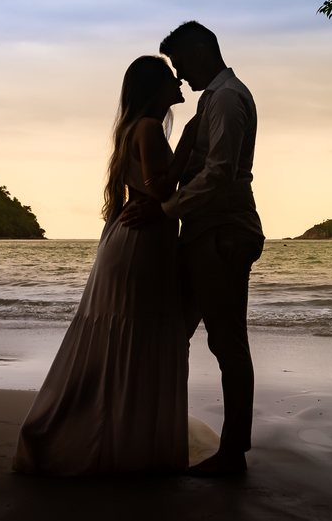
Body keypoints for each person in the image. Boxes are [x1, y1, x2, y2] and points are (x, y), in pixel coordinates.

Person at [13, 55, 216, 475]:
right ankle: (126, 441)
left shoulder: (132, 129)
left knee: (130, 335)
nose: (179, 83)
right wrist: (190, 140)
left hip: (136, 237)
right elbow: (161, 189)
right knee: (141, 333)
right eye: (170, 79)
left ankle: (122, 435)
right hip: (144, 239)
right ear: (154, 88)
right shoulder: (146, 128)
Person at [123, 21, 264, 476]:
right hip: (202, 231)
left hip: (222, 232)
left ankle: (233, 452)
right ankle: (154, 430)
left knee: (226, 343)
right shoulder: (210, 100)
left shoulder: (225, 98)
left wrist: (165, 209)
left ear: (201, 52)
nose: (179, 75)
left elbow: (220, 174)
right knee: (173, 332)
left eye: (181, 64)